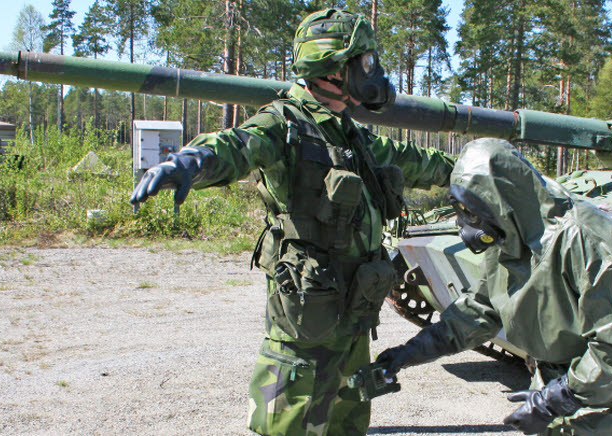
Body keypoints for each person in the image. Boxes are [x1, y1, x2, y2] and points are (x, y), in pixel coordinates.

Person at [128, 8, 454, 436]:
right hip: (307, 323)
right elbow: (239, 144)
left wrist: (469, 171)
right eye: (364, 63)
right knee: (286, 425)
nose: (371, 73)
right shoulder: (285, 123)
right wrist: (194, 161)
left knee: (346, 422)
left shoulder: (349, 133)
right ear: (332, 67)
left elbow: (414, 160)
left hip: (353, 315)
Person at [375, 138, 612, 435]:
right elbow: (477, 311)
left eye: (471, 209)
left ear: (500, 198)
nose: (466, 223)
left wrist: (553, 401)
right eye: (461, 209)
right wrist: (406, 354)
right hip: (567, 381)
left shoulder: (583, 237)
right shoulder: (507, 235)